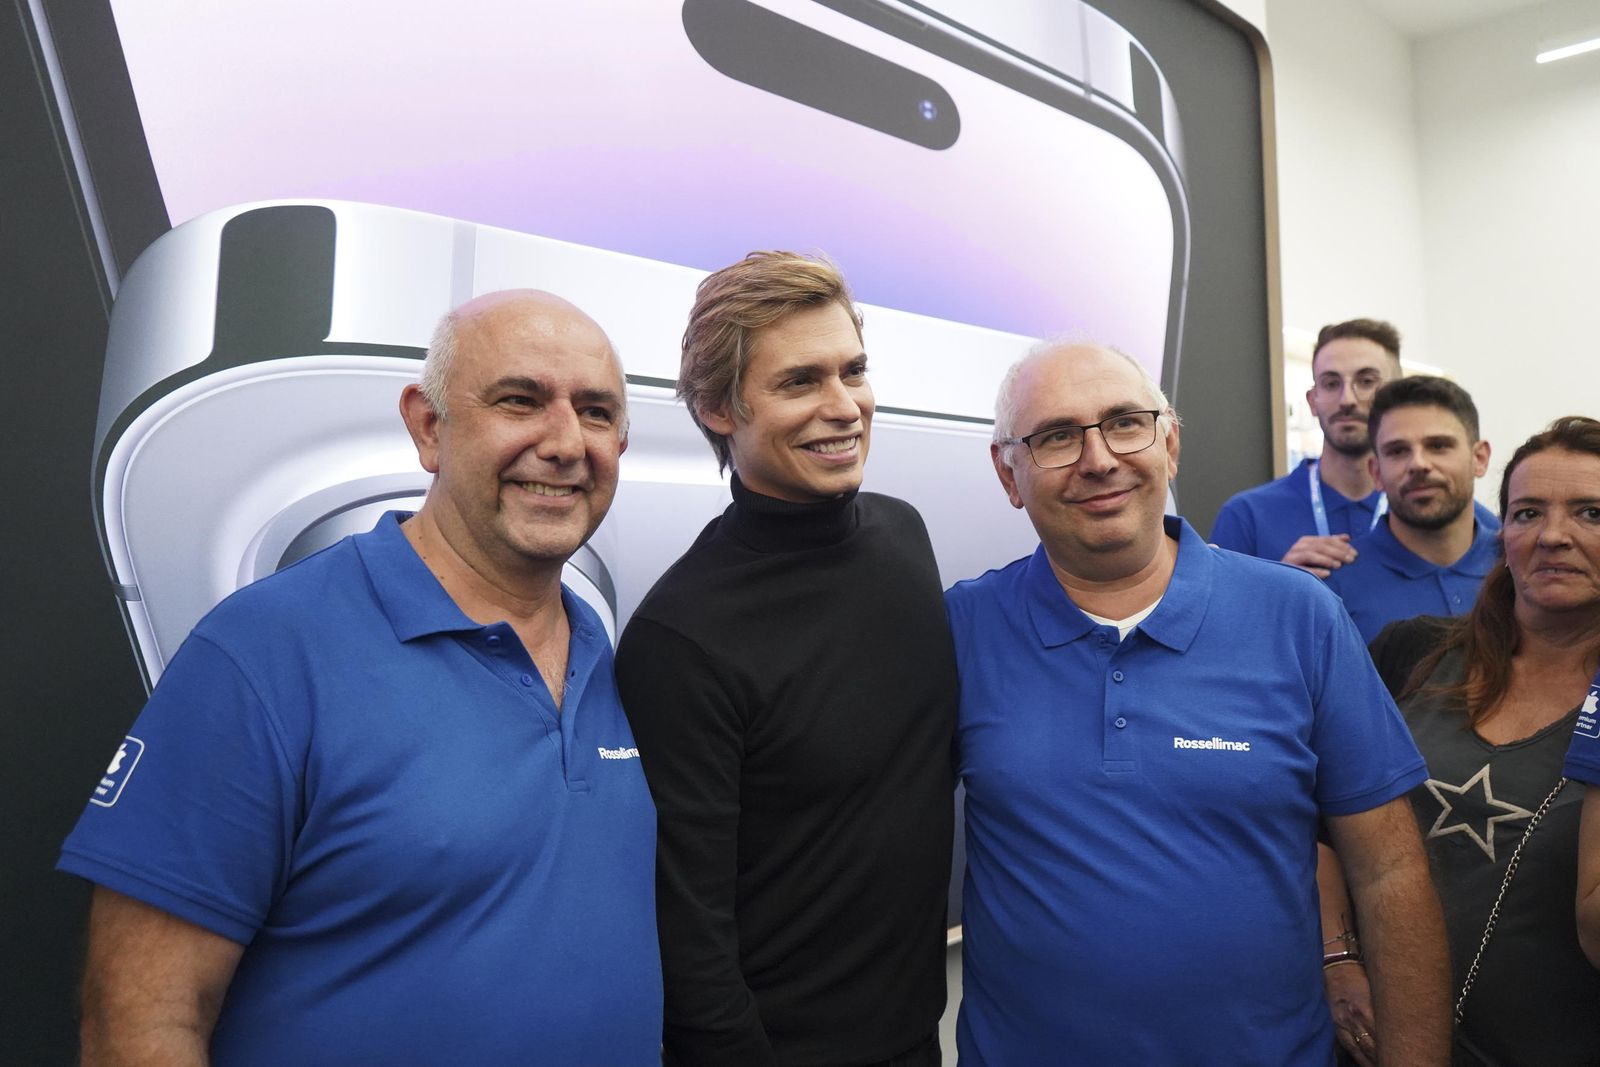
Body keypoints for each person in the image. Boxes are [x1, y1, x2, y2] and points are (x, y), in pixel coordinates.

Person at [57, 290, 663, 1065]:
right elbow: (138, 1020)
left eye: (598, 412)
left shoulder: (607, 653)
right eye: (521, 401)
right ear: (428, 425)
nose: (565, 442)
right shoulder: (266, 651)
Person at [948, 340, 1450, 1065]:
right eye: (1056, 436)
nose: (1098, 459)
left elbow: (1391, 873)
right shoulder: (963, 629)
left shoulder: (1298, 617)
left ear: (1171, 443)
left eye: (1126, 422)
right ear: (1009, 472)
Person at [615, 252, 955, 1067]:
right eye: (801, 381)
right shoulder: (682, 635)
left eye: (854, 370)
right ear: (717, 408)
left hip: (918, 1038)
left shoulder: (904, 536)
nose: (844, 407)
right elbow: (689, 936)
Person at [1365, 415, 1600, 1065]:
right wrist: (1336, 961)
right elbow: (1326, 827)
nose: (1553, 536)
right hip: (1377, 1036)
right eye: (1527, 513)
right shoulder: (1413, 649)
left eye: (1591, 513)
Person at [1211, 318, 1403, 576]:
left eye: (1367, 381)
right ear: (1313, 401)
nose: (1347, 400)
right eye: (1331, 384)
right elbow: (1221, 615)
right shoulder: (1247, 517)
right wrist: (1281, 587)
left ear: (1398, 395)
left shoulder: (1428, 507)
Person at [1326, 376, 1498, 642]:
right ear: (1376, 473)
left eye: (1438, 446)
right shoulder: (1331, 590)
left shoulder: (1520, 565)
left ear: (1479, 458)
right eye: (1397, 451)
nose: (1418, 464)